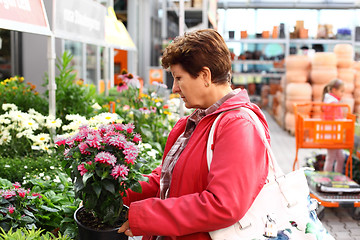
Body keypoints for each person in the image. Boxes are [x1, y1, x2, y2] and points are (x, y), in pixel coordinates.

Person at [118, 29, 270, 240]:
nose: (174, 89)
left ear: (205, 76)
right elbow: (165, 180)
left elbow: (223, 205)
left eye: (179, 78)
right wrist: (115, 188)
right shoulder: (198, 120)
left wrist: (145, 216)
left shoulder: (238, 126)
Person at [322, 79, 345, 173]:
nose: (342, 93)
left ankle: (336, 176)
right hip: (332, 133)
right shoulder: (332, 102)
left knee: (340, 157)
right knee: (332, 157)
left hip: (334, 133)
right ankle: (328, 177)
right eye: (341, 91)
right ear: (334, 90)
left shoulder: (330, 101)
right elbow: (335, 118)